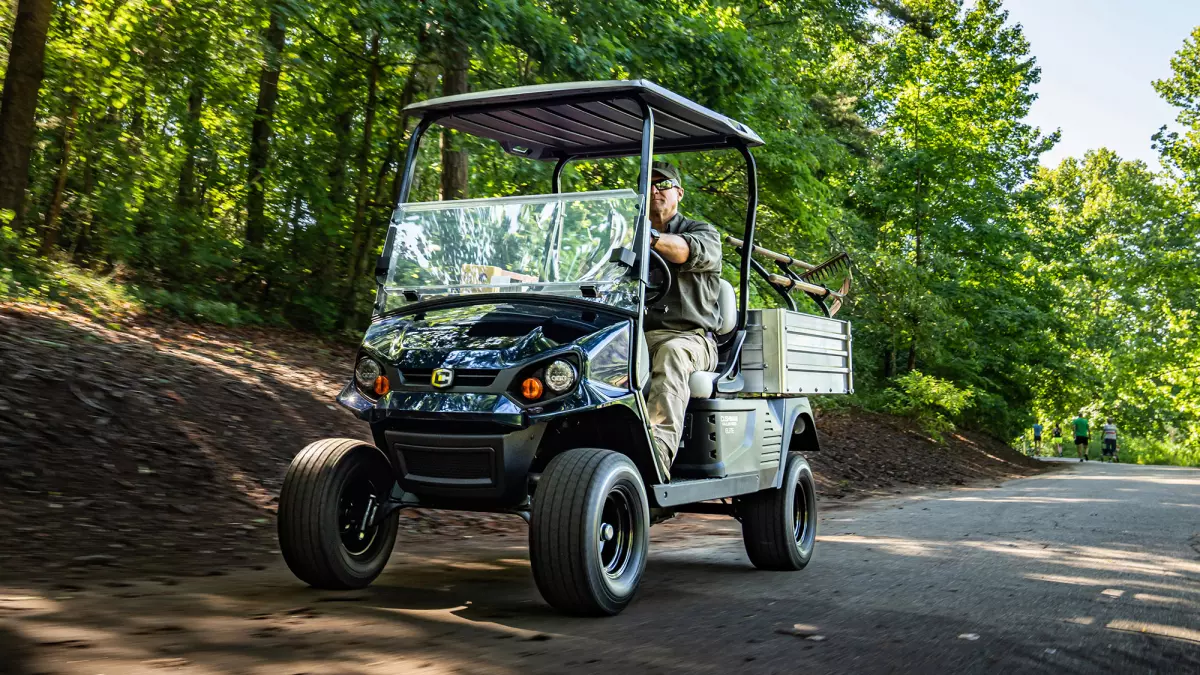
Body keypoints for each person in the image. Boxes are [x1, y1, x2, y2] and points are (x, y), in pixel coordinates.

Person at [643, 161, 722, 482]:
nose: (654, 191)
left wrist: (645, 237)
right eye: (647, 185)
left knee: (672, 354)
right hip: (635, 337)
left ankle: (654, 463)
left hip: (692, 339)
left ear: (679, 193)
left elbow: (682, 251)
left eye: (662, 184)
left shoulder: (702, 232)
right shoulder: (623, 237)